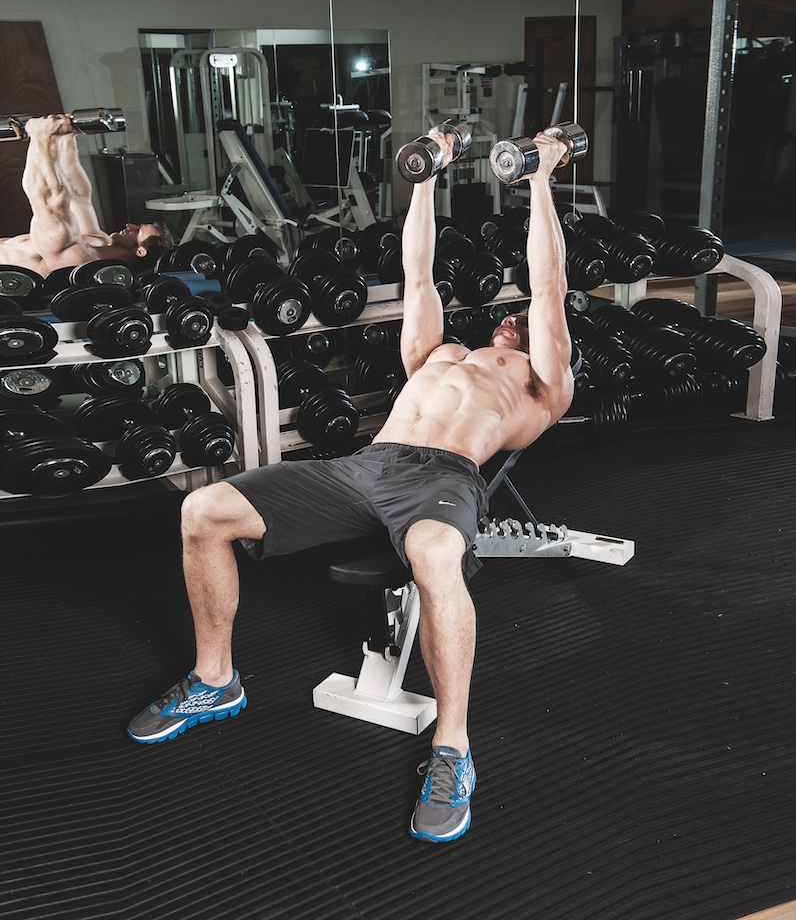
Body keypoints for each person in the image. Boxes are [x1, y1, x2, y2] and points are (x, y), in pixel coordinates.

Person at [127, 129, 575, 844]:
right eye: (511, 317)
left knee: (433, 556)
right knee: (203, 508)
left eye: (529, 322)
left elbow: (549, 285)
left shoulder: (541, 384)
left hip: (445, 479)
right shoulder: (443, 352)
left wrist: (542, 180)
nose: (517, 318)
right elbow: (419, 275)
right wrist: (425, 180)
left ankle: (452, 749)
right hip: (368, 463)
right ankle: (216, 680)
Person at [0, 114, 173, 276]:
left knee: (57, 217)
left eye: (137, 231)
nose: (130, 225)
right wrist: (68, 137)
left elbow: (48, 200)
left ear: (140, 251)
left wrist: (41, 138)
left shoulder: (81, 260)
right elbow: (79, 197)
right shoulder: (100, 242)